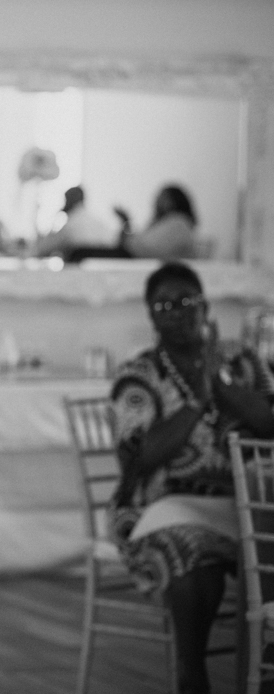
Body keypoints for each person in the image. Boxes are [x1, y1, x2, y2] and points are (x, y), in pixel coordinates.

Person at [110, 262, 274, 694]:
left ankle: (263, 664)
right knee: (191, 552)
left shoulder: (241, 362)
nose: (178, 312)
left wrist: (221, 387)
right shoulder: (139, 376)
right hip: (162, 506)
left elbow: (270, 423)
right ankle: (191, 671)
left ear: (205, 306)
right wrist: (197, 400)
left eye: (187, 301)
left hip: (247, 505)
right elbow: (140, 456)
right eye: (165, 305)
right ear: (151, 317)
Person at [116, 183, 200, 260]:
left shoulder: (178, 224)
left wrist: (126, 223)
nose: (157, 202)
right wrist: (126, 223)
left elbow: (147, 249)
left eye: (163, 198)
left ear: (173, 201)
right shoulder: (163, 223)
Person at [34, 185, 116, 260]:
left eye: (65, 200)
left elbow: (44, 249)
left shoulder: (70, 225)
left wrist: (54, 218)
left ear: (71, 200)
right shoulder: (99, 223)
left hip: (76, 272)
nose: (64, 204)